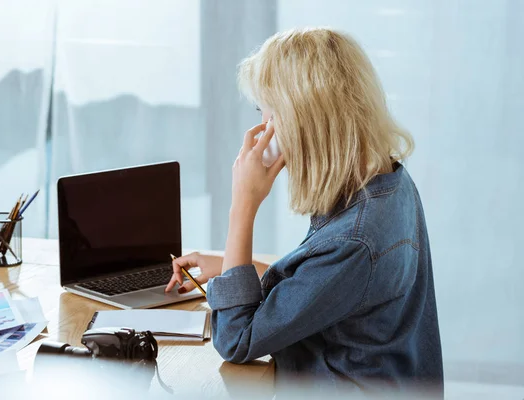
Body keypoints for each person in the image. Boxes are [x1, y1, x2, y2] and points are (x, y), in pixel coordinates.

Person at [165, 27, 443, 394]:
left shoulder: (355, 241)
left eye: (267, 111)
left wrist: (242, 207)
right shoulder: (389, 184)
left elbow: (237, 339)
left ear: (303, 120)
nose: (264, 126)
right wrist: (237, 268)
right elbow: (325, 287)